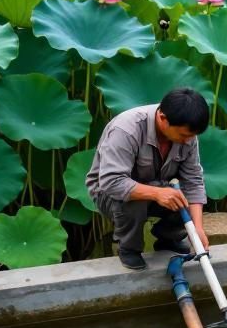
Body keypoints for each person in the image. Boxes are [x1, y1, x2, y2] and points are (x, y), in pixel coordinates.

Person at [86, 87, 212, 271]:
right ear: (162, 118)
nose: (188, 141)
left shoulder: (187, 134)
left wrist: (197, 228)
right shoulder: (126, 129)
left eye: (192, 136)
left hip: (159, 185)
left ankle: (168, 238)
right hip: (109, 193)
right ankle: (128, 248)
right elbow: (112, 181)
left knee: (183, 196)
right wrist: (156, 193)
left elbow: (193, 180)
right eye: (184, 135)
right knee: (136, 200)